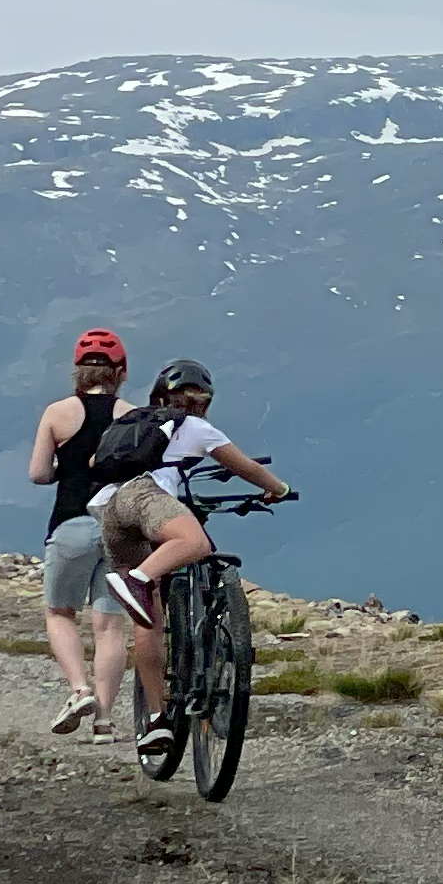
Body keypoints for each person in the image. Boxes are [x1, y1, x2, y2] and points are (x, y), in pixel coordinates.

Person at [95, 358, 294, 775]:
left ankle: (155, 720)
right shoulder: (196, 428)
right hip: (145, 497)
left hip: (113, 511)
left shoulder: (138, 425)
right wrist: (278, 489)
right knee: (194, 542)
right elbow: (247, 468)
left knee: (148, 617)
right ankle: (137, 579)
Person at [28, 329, 139, 738]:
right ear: (121, 372)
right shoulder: (133, 415)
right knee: (109, 625)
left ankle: (79, 690)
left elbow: (38, 473)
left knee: (60, 612)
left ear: (77, 372)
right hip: (121, 527)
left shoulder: (58, 413)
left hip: (71, 522)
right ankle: (105, 720)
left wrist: (68, 470)